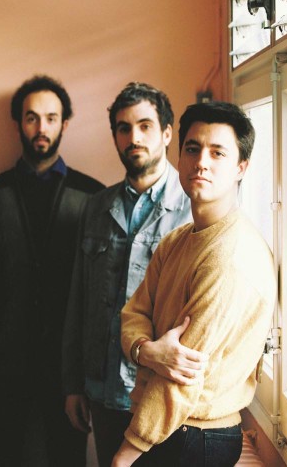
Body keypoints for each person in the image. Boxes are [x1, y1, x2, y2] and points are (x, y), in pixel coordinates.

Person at [113, 102, 276, 467]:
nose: (201, 162)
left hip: (197, 436)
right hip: (168, 426)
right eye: (192, 148)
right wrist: (145, 350)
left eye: (218, 153)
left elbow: (183, 376)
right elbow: (133, 314)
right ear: (180, 156)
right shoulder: (178, 240)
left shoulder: (231, 256)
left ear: (241, 167)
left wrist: (127, 453)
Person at [62, 82, 209, 467]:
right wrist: (73, 384)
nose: (134, 138)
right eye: (124, 129)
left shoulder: (194, 207)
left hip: (164, 395)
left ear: (166, 133)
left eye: (145, 126)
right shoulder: (97, 206)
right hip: (104, 390)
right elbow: (79, 298)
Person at [0, 75, 104, 467]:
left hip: (69, 367)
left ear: (64, 124)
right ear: (18, 124)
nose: (41, 127)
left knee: (67, 458)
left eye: (51, 118)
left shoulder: (93, 196)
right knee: (0, 456)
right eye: (31, 118)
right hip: (3, 361)